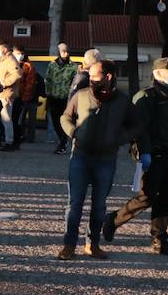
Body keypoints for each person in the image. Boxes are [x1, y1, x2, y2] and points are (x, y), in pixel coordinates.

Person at [103, 57, 168, 256]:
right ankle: (113, 220)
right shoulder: (147, 97)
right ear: (158, 74)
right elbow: (139, 129)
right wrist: (145, 153)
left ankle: (159, 240)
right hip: (153, 154)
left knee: (166, 196)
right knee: (147, 197)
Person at [58, 60, 139, 259]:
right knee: (74, 204)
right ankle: (69, 245)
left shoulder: (122, 101)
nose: (90, 79)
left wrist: (119, 139)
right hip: (80, 157)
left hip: (106, 159)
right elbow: (65, 117)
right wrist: (73, 132)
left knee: (99, 205)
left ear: (108, 77)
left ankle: (92, 244)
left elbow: (136, 126)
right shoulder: (81, 95)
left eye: (94, 76)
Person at [45, 43, 76, 154]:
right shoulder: (52, 65)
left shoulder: (73, 67)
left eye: (67, 52)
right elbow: (47, 80)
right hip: (53, 97)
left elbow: (74, 84)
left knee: (64, 121)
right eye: (63, 52)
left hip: (65, 99)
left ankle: (63, 143)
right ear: (60, 52)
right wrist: (48, 93)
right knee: (55, 122)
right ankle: (62, 140)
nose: (65, 54)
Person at [0, 41, 21, 151]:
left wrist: (4, 83)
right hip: (2, 93)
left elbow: (17, 74)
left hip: (7, 93)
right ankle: (0, 139)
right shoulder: (4, 60)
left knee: (6, 118)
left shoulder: (10, 60)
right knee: (2, 118)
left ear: (5, 49)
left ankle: (9, 141)